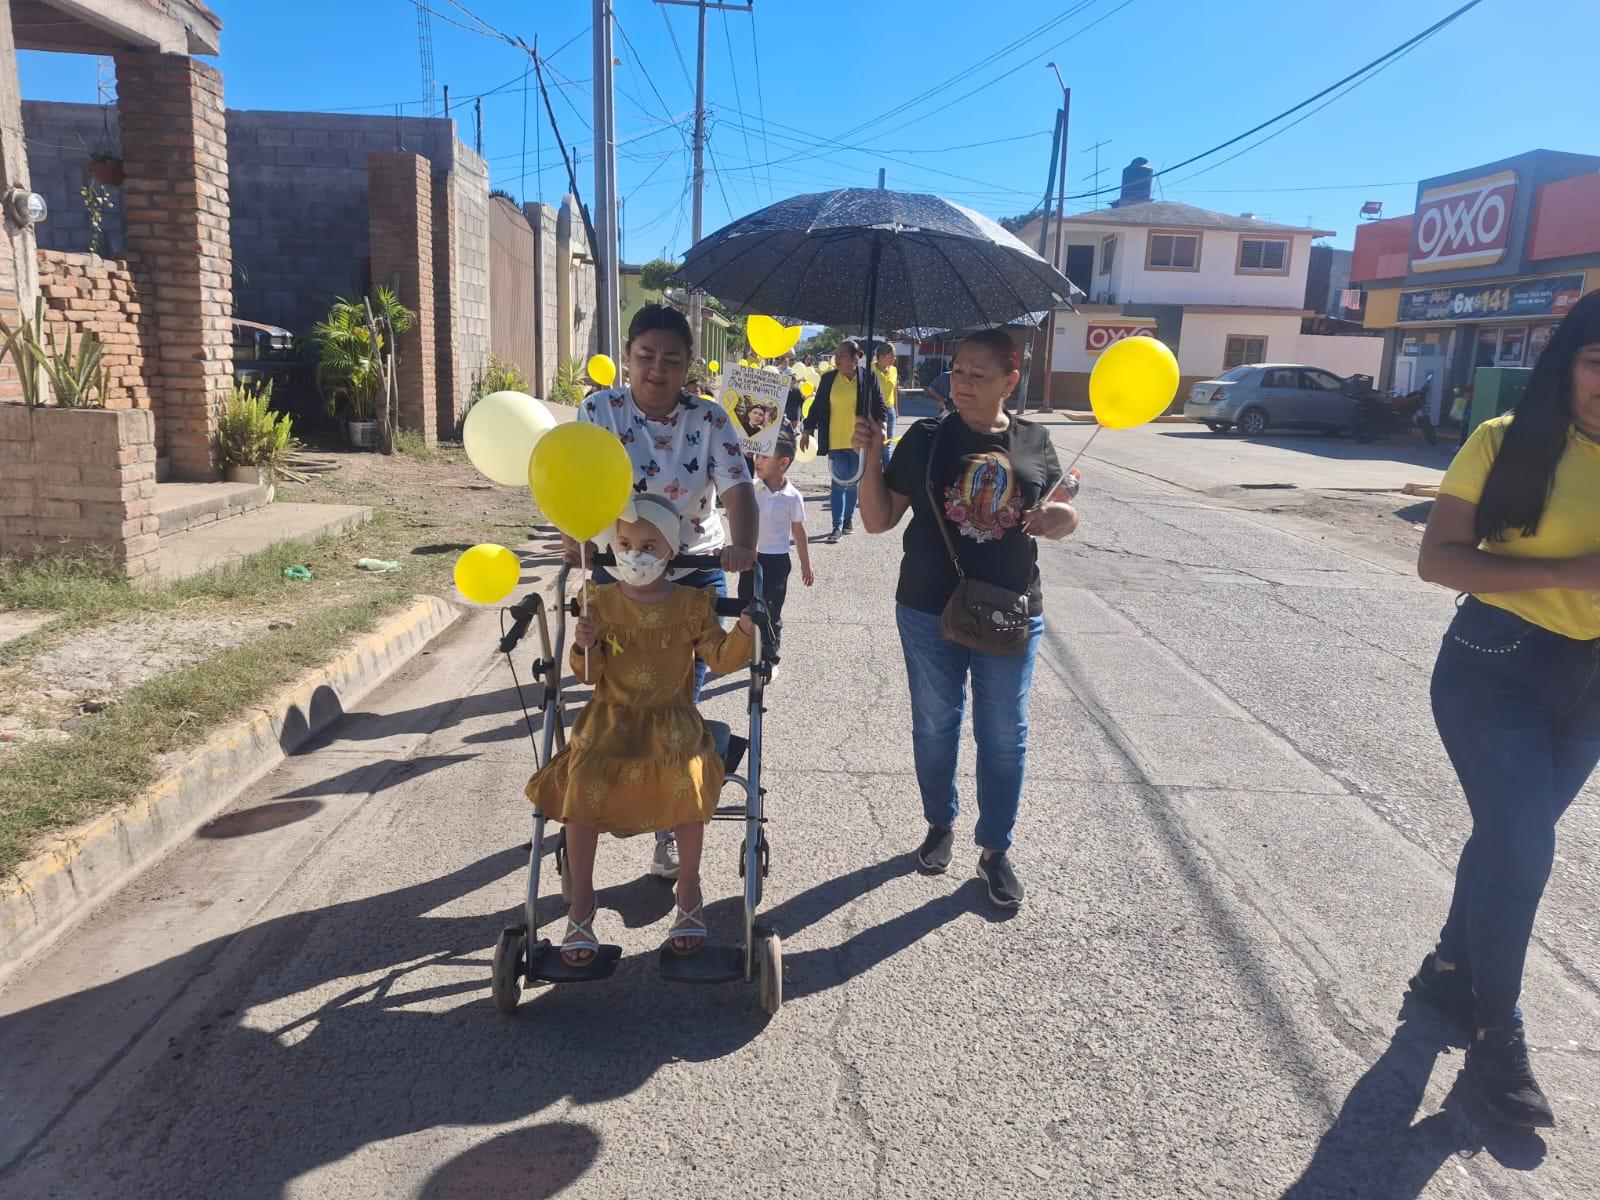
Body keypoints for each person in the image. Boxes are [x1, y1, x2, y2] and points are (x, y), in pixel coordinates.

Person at [1407, 291, 1600, 1129]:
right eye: (1599, 362)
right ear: (1569, 363)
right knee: (1524, 850)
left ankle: (1450, 967)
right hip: (1495, 668)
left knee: (1507, 837)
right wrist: (1571, 575)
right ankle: (1497, 1034)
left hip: (1590, 686)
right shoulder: (1503, 444)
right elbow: (1437, 561)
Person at [852, 328, 1078, 909]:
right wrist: (871, 456)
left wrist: (1060, 520)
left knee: (1004, 735)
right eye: (957, 371)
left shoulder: (1036, 440)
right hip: (928, 606)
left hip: (1010, 608)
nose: (964, 382)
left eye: (979, 374)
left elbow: (1062, 509)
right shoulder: (927, 437)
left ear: (1010, 381)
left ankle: (995, 851)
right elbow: (878, 522)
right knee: (935, 723)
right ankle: (939, 824)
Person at [568, 303, 759, 883]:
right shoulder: (597, 410)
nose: (657, 369)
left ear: (688, 365)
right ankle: (601, 804)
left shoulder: (709, 419)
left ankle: (667, 823)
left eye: (671, 360)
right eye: (646, 356)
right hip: (616, 570)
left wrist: (743, 546)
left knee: (673, 704)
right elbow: (572, 478)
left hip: (693, 571)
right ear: (626, 357)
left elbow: (738, 490)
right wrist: (572, 538)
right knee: (615, 697)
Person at [528, 496, 756, 966]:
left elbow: (719, 657)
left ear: (670, 551)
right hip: (611, 715)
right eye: (626, 543)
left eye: (649, 545)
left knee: (689, 779)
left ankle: (688, 891)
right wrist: (583, 645)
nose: (635, 554)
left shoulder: (693, 604)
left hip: (672, 715)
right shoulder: (599, 600)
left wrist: (748, 632)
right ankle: (581, 902)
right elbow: (588, 676)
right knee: (585, 778)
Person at [738, 432, 815, 670]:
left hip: (778, 562)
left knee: (772, 609)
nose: (757, 461)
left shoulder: (793, 497)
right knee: (746, 605)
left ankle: (770, 656)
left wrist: (805, 563)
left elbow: (799, 532)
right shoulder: (751, 489)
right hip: (752, 560)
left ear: (783, 463)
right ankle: (746, 649)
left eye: (764, 456)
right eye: (756, 455)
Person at [801, 339, 887, 542]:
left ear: (855, 358)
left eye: (841, 355)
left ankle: (848, 519)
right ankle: (837, 526)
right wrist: (807, 429)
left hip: (859, 441)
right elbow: (818, 406)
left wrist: (882, 425)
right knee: (839, 482)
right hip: (834, 440)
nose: (836, 359)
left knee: (853, 482)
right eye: (836, 355)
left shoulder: (868, 378)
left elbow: (880, 405)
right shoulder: (829, 378)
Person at [874, 343, 900, 445]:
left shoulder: (894, 370)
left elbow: (894, 390)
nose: (895, 359)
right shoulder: (870, 370)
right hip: (876, 412)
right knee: (877, 445)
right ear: (881, 357)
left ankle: (887, 461)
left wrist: (896, 410)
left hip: (890, 410)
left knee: (889, 445)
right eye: (892, 356)